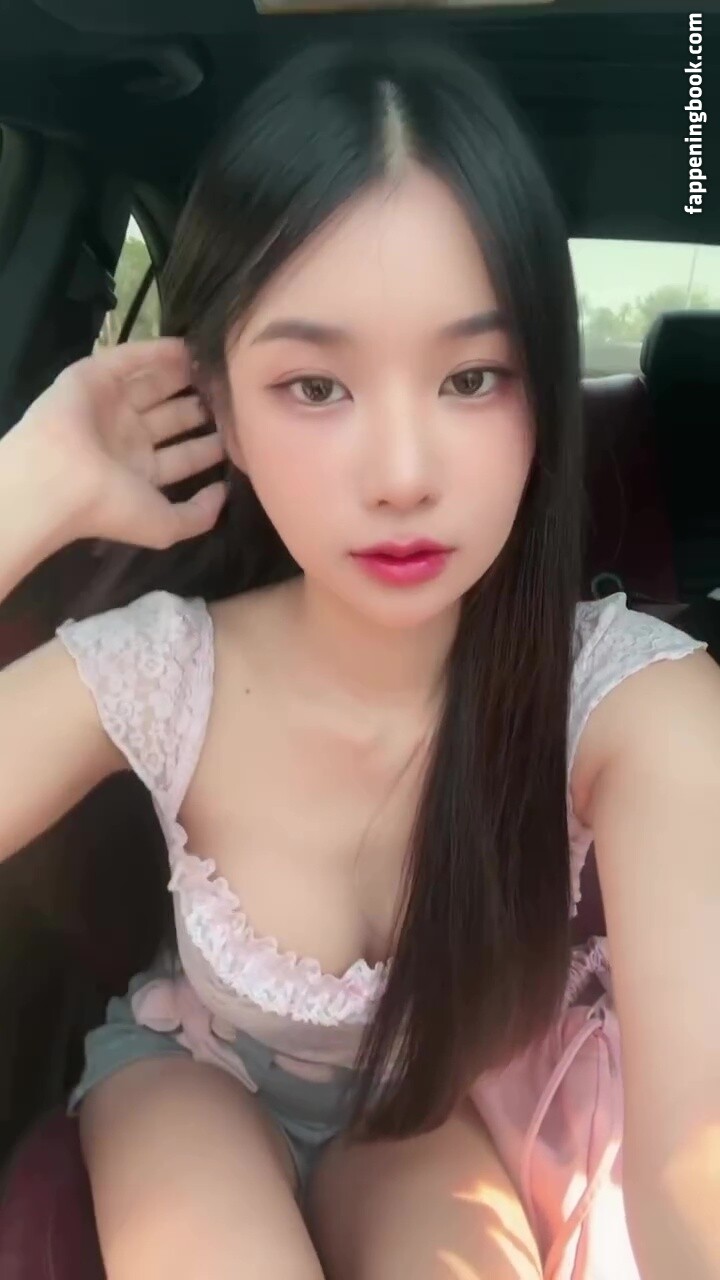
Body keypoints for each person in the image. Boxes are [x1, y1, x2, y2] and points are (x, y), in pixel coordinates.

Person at [0, 39, 718, 1280]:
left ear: (543, 391)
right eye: (315, 385)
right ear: (220, 402)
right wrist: (21, 492)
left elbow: (697, 1154)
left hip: (429, 1111)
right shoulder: (162, 673)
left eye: (472, 376)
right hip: (194, 1076)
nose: (401, 474)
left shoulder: (628, 701)